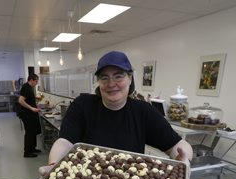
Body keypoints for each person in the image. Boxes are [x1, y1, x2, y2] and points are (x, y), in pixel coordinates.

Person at [43, 50, 192, 171]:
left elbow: (177, 145)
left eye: (118, 76)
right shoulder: (83, 105)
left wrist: (183, 160)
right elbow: (64, 142)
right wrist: (53, 165)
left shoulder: (143, 111)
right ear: (98, 82)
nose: (111, 84)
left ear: (130, 78)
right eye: (104, 78)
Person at [18, 74, 42, 158]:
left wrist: (35, 97)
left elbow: (27, 97)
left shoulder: (28, 87)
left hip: (31, 114)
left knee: (33, 132)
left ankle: (33, 148)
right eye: (36, 81)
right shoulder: (26, 87)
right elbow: (21, 101)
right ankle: (27, 152)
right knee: (29, 133)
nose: (36, 83)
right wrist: (32, 108)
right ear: (31, 80)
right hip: (27, 114)